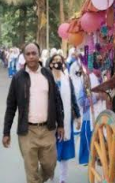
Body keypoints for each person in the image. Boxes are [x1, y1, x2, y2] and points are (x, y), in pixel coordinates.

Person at [3, 43, 65, 183]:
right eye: (28, 54)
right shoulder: (18, 78)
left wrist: (60, 124)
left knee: (50, 166)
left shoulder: (47, 74)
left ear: (39, 54)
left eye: (34, 53)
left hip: (47, 130)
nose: (31, 57)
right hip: (27, 132)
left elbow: (57, 100)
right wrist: (6, 132)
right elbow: (11, 106)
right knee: (31, 172)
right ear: (24, 56)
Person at [49, 54, 81, 183]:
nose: (57, 62)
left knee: (63, 154)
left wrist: (78, 116)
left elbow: (73, 98)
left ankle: (63, 179)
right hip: (50, 121)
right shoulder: (46, 78)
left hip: (65, 120)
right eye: (55, 60)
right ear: (50, 63)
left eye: (60, 60)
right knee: (50, 151)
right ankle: (49, 172)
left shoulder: (67, 78)